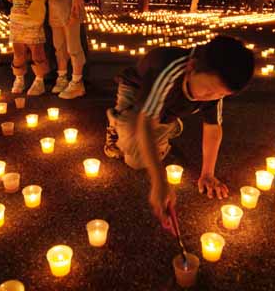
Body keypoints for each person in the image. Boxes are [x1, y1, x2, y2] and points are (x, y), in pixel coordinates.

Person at [104, 36, 254, 222]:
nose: (212, 97)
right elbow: (146, 122)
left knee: (141, 152)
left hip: (168, 107)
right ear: (191, 67)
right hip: (137, 91)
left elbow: (213, 128)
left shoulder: (215, 87)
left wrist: (207, 174)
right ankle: (118, 119)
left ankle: (167, 124)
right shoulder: (169, 71)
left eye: (222, 94)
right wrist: (159, 181)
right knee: (136, 157)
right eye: (208, 90)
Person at [0, 0, 49, 95]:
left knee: (37, 54)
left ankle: (39, 80)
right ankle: (19, 78)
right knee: (18, 53)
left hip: (33, 23)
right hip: (16, 22)